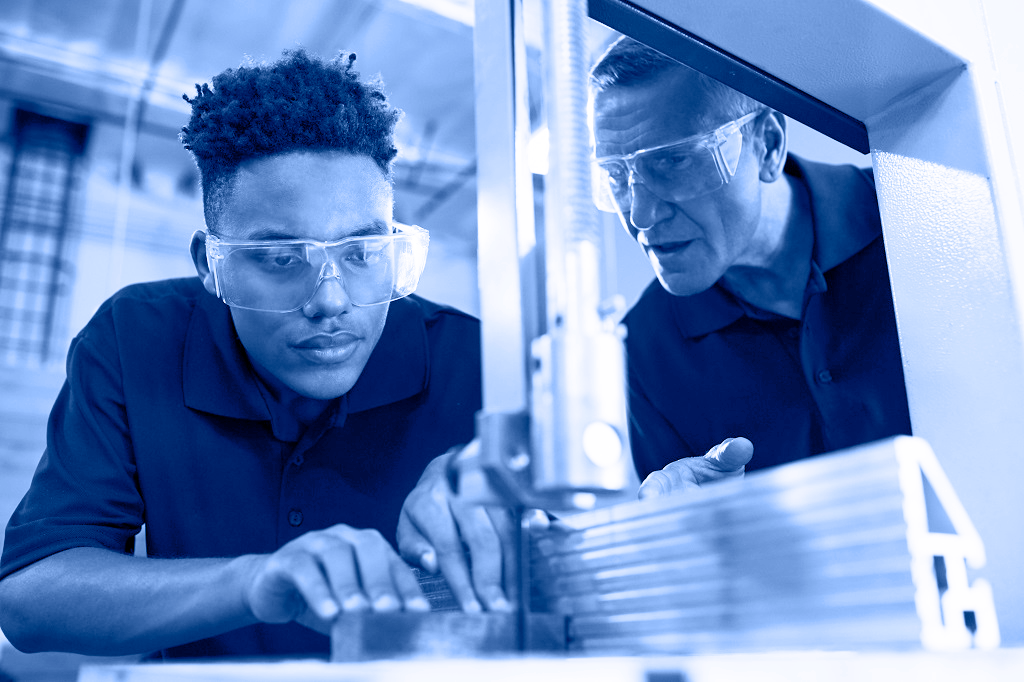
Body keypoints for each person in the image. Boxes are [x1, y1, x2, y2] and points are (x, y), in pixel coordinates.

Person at [0, 49, 494, 660]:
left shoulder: (478, 362)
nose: (331, 301)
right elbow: (29, 600)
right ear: (212, 265)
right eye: (283, 259)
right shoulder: (137, 339)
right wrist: (253, 581)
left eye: (363, 252)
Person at [588, 36, 912, 497]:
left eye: (674, 161)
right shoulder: (645, 349)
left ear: (766, 145)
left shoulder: (914, 226)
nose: (639, 216)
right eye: (617, 177)